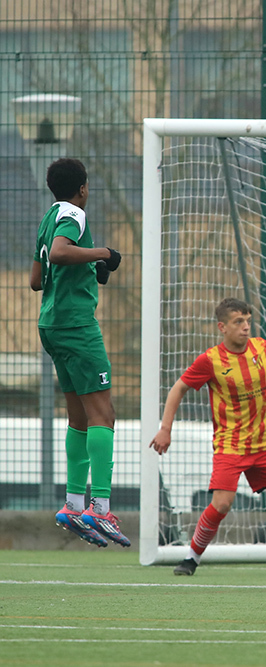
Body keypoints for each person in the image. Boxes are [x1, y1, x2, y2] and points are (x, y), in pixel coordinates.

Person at [149, 298, 266, 576]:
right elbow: (178, 389)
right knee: (222, 504)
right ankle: (191, 558)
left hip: (265, 443)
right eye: (238, 322)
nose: (245, 327)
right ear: (222, 327)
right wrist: (165, 428)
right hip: (231, 445)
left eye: (248, 321)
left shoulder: (261, 348)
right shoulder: (211, 360)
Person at [30, 158, 128, 549]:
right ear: (83, 188)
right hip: (76, 326)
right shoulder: (74, 212)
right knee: (104, 413)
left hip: (51, 325)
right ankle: (100, 508)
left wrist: (90, 268)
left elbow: (37, 280)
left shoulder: (48, 215)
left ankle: (72, 504)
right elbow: (58, 254)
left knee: (80, 417)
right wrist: (103, 252)